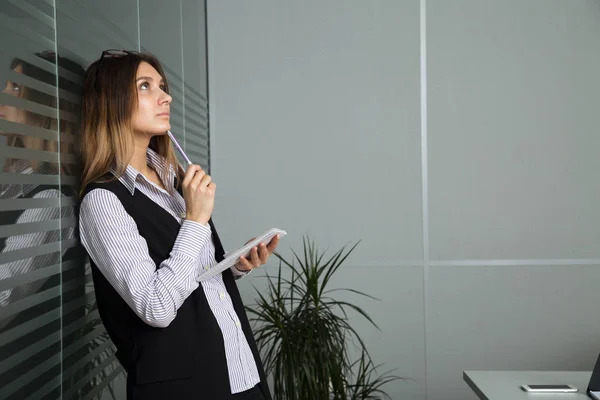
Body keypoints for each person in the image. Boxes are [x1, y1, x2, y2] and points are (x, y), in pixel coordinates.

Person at [78, 49, 278, 400]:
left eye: (162, 85)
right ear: (112, 101)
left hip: (240, 370)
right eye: (145, 86)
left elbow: (186, 275)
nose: (165, 96)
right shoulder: (103, 200)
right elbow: (155, 307)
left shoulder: (174, 179)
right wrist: (196, 219)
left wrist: (233, 266)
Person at [0, 51, 84, 331]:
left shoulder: (50, 200)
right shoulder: (16, 182)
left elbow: (4, 296)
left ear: (45, 102)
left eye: (16, 87)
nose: (4, 96)